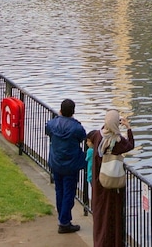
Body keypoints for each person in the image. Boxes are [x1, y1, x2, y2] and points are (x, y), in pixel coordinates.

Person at [87, 109, 135, 247]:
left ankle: (99, 242)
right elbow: (130, 144)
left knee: (100, 216)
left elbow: (90, 136)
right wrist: (128, 127)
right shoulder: (117, 141)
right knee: (112, 217)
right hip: (112, 184)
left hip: (99, 182)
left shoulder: (98, 136)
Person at [44, 99, 87, 235]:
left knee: (59, 191)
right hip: (71, 165)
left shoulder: (52, 124)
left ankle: (63, 219)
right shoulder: (77, 128)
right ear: (73, 112)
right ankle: (64, 222)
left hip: (56, 163)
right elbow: (82, 137)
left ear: (60, 110)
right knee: (69, 192)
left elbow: (48, 131)